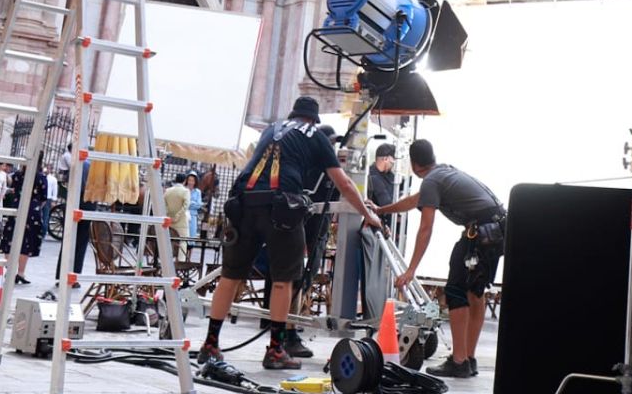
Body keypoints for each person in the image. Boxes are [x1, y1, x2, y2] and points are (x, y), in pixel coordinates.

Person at [203, 97, 379, 371]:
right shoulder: (317, 136)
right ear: (314, 120)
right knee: (284, 280)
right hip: (282, 210)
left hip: (243, 203)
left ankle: (210, 344)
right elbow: (343, 182)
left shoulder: (271, 129)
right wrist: (368, 214)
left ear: (293, 114)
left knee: (230, 277)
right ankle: (275, 350)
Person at [378, 139, 505, 378]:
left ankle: (458, 362)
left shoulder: (432, 181)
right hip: (498, 231)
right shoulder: (443, 172)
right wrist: (381, 210)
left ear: (414, 165)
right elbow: (415, 201)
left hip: (480, 234)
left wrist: (410, 270)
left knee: (456, 291)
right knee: (475, 293)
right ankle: (468, 358)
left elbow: (426, 228)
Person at [0, 161, 49, 284]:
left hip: (18, 207)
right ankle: (20, 272)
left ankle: (9, 269)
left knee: (11, 237)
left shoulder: (18, 175)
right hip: (33, 210)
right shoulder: (41, 177)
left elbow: (12, 185)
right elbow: (43, 198)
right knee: (27, 241)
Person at [367, 142, 398, 208]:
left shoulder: (388, 174)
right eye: (393, 160)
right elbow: (388, 205)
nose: (393, 164)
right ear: (385, 159)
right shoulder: (373, 177)